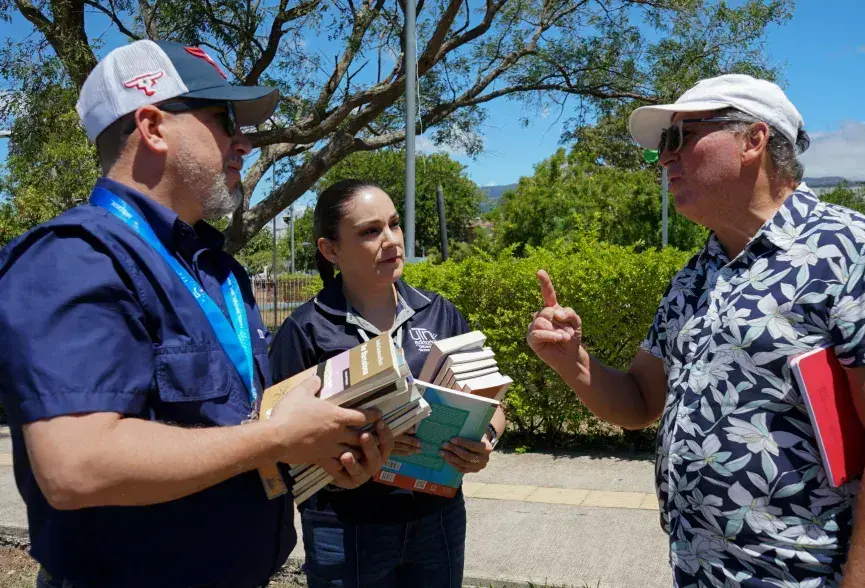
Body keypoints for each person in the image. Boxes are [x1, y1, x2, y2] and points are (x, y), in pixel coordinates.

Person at [0, 40, 392, 588]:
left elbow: (232, 431)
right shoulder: (72, 257)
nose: (245, 143)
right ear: (153, 126)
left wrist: (319, 456)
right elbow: (76, 467)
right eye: (222, 119)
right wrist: (277, 439)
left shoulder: (220, 272)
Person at [527, 74, 865, 587]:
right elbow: (637, 402)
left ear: (753, 140)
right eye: (661, 146)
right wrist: (573, 361)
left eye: (679, 138)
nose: (664, 159)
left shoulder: (859, 256)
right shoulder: (696, 274)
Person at [269, 179, 506, 587]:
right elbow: (279, 444)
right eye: (369, 231)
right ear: (330, 250)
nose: (391, 240)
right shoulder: (305, 330)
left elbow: (491, 401)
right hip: (346, 526)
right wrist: (365, 442)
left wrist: (483, 439)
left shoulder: (439, 312)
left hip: (438, 518)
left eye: (393, 224)